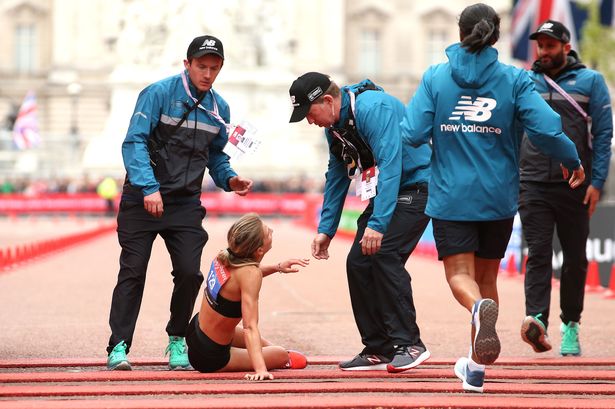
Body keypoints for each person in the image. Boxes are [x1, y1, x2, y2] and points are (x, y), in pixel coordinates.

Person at [400, 3, 585, 393]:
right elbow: (549, 128)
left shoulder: (436, 78)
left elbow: (411, 133)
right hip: (499, 197)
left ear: (459, 32)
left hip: (452, 196)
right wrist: (571, 159)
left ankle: (477, 309)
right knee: (486, 277)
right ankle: (476, 370)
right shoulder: (514, 81)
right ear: (497, 36)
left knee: (460, 277)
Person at [106, 35, 253, 371]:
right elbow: (134, 142)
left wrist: (230, 179)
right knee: (133, 272)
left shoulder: (220, 108)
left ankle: (177, 340)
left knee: (190, 273)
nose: (207, 73)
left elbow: (215, 156)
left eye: (214, 68)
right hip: (143, 199)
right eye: (201, 66)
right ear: (186, 64)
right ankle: (118, 345)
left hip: (185, 203)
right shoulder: (158, 93)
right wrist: (147, 188)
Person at [288, 72, 432, 373]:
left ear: (328, 101)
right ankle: (378, 347)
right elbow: (337, 176)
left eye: (309, 113)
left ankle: (410, 343)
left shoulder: (373, 108)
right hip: (388, 192)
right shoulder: (334, 128)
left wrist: (377, 224)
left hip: (418, 187)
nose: (309, 121)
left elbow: (392, 165)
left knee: (384, 254)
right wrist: (326, 229)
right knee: (358, 262)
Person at [518, 20, 613, 357]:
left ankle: (571, 324)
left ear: (565, 47)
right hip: (531, 182)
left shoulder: (590, 81)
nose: (543, 51)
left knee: (574, 259)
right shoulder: (525, 81)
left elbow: (603, 137)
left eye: (550, 45)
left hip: (575, 183)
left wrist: (597, 182)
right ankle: (537, 320)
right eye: (539, 45)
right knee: (538, 253)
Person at [186, 213, 310, 380]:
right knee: (282, 354)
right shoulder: (251, 274)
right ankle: (277, 357)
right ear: (259, 250)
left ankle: (267, 351)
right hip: (210, 358)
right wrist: (260, 369)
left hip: (196, 331)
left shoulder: (224, 255)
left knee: (265, 344)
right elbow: (249, 326)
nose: (271, 230)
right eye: (268, 232)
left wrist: (277, 267)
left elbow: (240, 278)